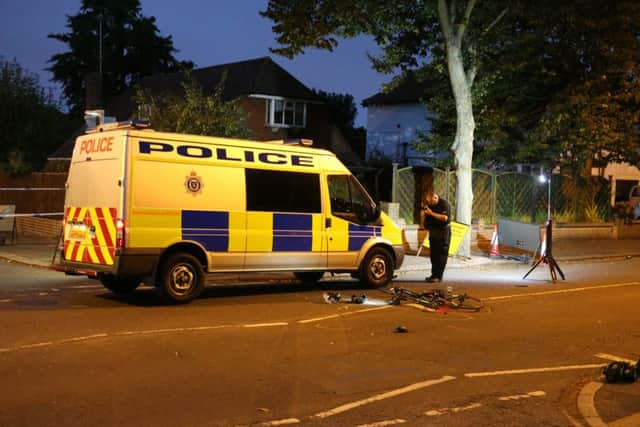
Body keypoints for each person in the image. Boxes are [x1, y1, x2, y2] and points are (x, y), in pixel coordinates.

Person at [421, 191, 451, 283]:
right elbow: (427, 219)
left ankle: (439, 276)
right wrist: (423, 215)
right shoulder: (430, 205)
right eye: (428, 202)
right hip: (433, 232)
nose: (429, 204)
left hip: (443, 233)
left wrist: (431, 213)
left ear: (435, 198)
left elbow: (445, 218)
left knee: (441, 255)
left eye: (431, 202)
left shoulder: (444, 204)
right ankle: (433, 275)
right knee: (433, 255)